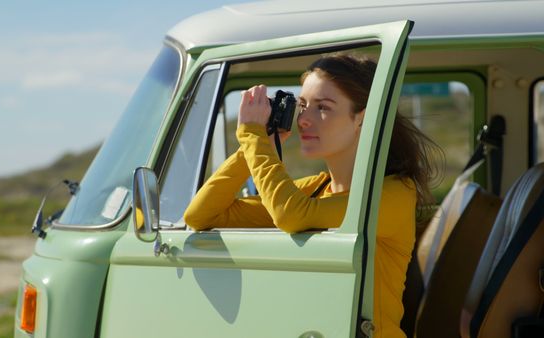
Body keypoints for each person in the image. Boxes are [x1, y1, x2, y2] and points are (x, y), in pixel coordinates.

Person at [183, 53, 441, 338]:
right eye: (302, 105)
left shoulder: (394, 193)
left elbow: (292, 214)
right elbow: (201, 215)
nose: (303, 119)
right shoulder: (319, 188)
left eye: (323, 107)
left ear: (362, 119)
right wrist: (253, 147)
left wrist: (252, 136)